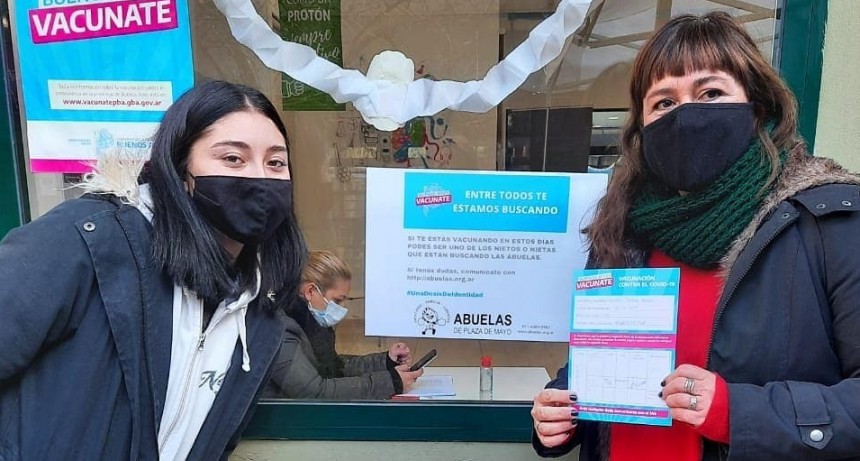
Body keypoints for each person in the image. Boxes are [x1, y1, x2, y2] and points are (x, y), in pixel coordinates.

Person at [531, 12, 860, 461]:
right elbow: (608, 358)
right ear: (642, 129)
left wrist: (737, 413)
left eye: (711, 93)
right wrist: (562, 405)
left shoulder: (827, 220)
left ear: (756, 107)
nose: (686, 115)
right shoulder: (625, 229)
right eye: (663, 103)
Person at [0, 80, 305, 460]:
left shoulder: (259, 312)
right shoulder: (87, 241)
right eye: (232, 159)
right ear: (181, 170)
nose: (259, 176)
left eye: (276, 162)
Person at [265, 250, 423, 399]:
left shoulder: (311, 326)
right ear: (311, 291)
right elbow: (315, 392)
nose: (342, 307)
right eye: (337, 300)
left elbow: (336, 369)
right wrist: (391, 383)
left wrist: (385, 361)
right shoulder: (280, 332)